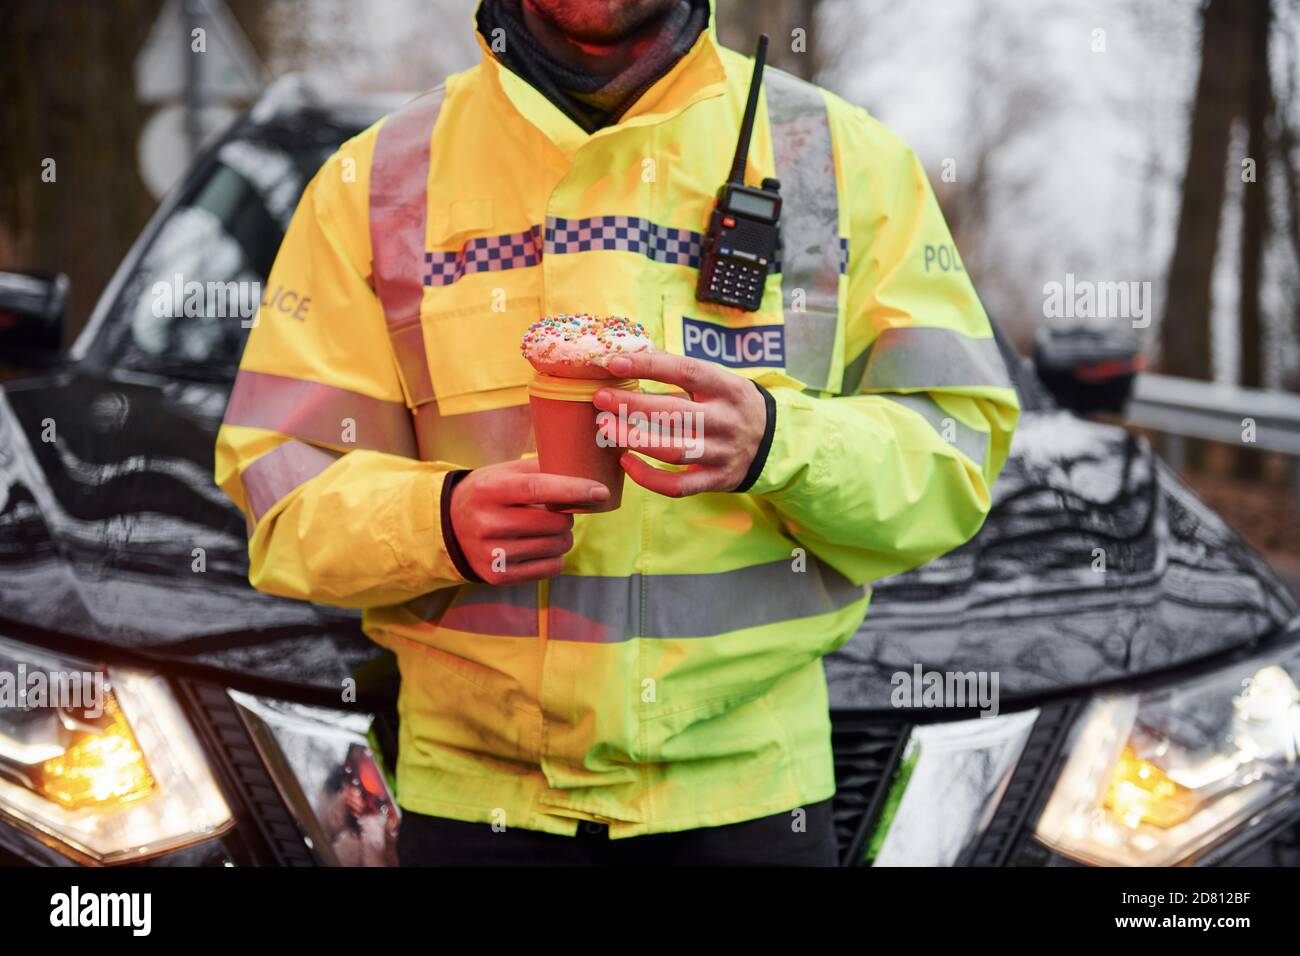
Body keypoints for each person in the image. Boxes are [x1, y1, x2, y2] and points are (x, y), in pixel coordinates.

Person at [215, 0, 1020, 866]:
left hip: (755, 805)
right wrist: (439, 520)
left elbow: (953, 452)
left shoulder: (843, 164)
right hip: (474, 808)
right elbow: (282, 483)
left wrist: (779, 443)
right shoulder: (374, 183)